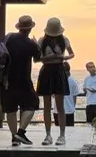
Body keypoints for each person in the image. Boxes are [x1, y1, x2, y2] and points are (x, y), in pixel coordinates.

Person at [4, 14, 41, 146]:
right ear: (30, 29)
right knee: (32, 103)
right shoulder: (30, 44)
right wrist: (37, 44)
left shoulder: (8, 37)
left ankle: (14, 138)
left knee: (10, 109)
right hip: (23, 80)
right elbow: (38, 58)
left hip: (6, 79)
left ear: (19, 27)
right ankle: (20, 133)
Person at [35, 16, 74, 146]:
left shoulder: (64, 40)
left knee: (60, 105)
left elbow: (72, 54)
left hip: (58, 70)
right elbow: (37, 58)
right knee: (46, 105)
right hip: (47, 70)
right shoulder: (41, 41)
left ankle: (62, 135)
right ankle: (48, 135)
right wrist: (48, 58)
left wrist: (62, 57)